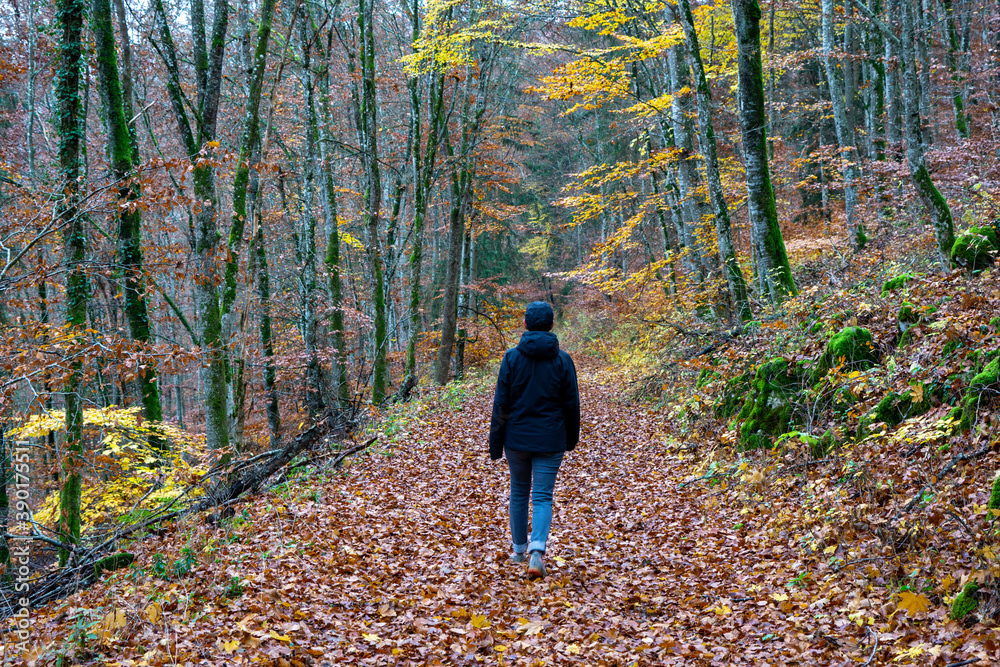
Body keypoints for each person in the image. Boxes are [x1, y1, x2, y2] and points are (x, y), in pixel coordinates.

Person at [489, 301, 580, 579]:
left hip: (516, 439)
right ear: (552, 325)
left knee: (518, 492)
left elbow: (501, 404)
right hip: (551, 439)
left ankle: (519, 551)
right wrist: (570, 438)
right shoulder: (563, 360)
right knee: (542, 496)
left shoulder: (512, 358)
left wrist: (496, 442)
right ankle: (537, 552)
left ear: (526, 325)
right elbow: (572, 404)